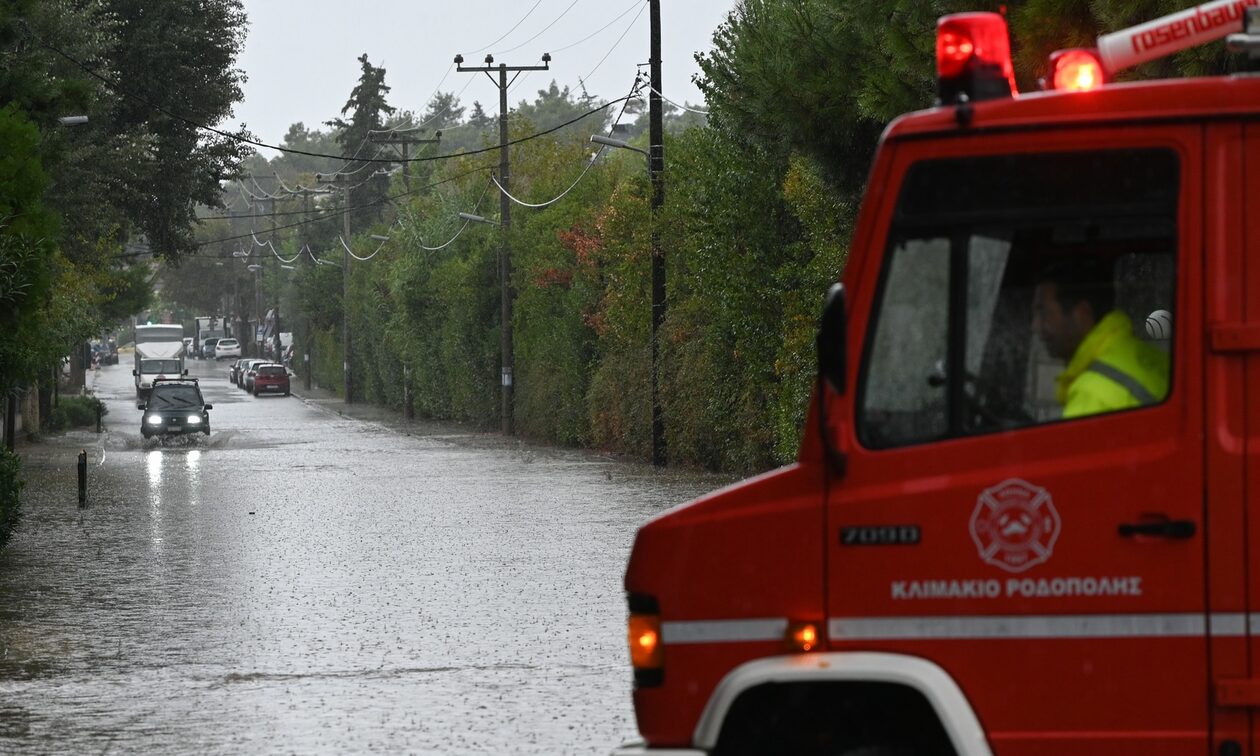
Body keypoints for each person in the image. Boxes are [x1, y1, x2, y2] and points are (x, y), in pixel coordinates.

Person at [1032, 257, 1169, 419]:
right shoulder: (1152, 357)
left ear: (1082, 314)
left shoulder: (1091, 396)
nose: (1035, 326)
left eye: (1043, 312)